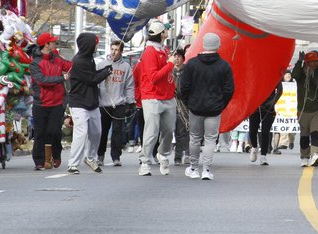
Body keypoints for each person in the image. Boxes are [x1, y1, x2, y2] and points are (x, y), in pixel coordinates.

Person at [180, 33, 234, 181]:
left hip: (195, 107)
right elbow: (229, 89)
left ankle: (193, 168)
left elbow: (183, 87)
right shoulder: (224, 65)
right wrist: (221, 104)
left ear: (204, 44)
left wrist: (189, 102)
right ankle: (206, 170)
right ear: (218, 45)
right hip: (214, 108)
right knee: (210, 139)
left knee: (195, 138)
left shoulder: (191, 64)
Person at [65, 33, 112, 175]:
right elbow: (92, 79)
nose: (97, 46)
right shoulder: (79, 61)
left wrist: (104, 71)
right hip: (78, 102)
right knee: (81, 132)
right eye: (96, 43)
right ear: (89, 45)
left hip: (91, 101)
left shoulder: (89, 59)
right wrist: (106, 72)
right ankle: (73, 164)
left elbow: (92, 75)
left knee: (97, 132)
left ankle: (91, 158)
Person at [136, 20, 178, 177]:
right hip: (152, 97)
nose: (168, 32)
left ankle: (163, 154)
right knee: (152, 131)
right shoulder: (149, 52)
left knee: (168, 129)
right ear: (162, 34)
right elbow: (154, 77)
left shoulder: (163, 50)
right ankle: (145, 161)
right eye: (165, 30)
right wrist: (170, 65)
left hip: (167, 96)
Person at [29, 32, 72, 170]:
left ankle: (56, 155)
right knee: (40, 132)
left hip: (57, 102)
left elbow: (69, 66)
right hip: (41, 103)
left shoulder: (57, 58)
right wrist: (61, 78)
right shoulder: (35, 63)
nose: (55, 43)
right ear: (46, 44)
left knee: (54, 132)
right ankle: (39, 160)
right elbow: (42, 80)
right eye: (52, 42)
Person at [97, 40, 135, 167]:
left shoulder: (126, 67)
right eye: (112, 49)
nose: (114, 52)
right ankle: (100, 155)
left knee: (117, 131)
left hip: (119, 103)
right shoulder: (102, 64)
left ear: (121, 51)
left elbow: (129, 86)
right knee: (102, 131)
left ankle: (116, 156)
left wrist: (131, 102)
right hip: (103, 104)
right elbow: (95, 82)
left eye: (117, 50)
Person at [292, 50, 318, 167]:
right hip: (303, 109)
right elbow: (294, 76)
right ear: (307, 63)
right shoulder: (301, 73)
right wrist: (299, 62)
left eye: (316, 61)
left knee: (316, 132)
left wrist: (311, 76)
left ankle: (315, 154)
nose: (314, 64)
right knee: (304, 135)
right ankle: (304, 157)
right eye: (312, 62)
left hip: (317, 109)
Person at [248, 78, 282, 166]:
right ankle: (254, 147)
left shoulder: (273, 74)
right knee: (252, 131)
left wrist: (272, 103)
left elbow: (280, 90)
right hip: (254, 107)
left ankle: (263, 155)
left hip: (268, 108)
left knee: (265, 132)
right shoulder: (254, 74)